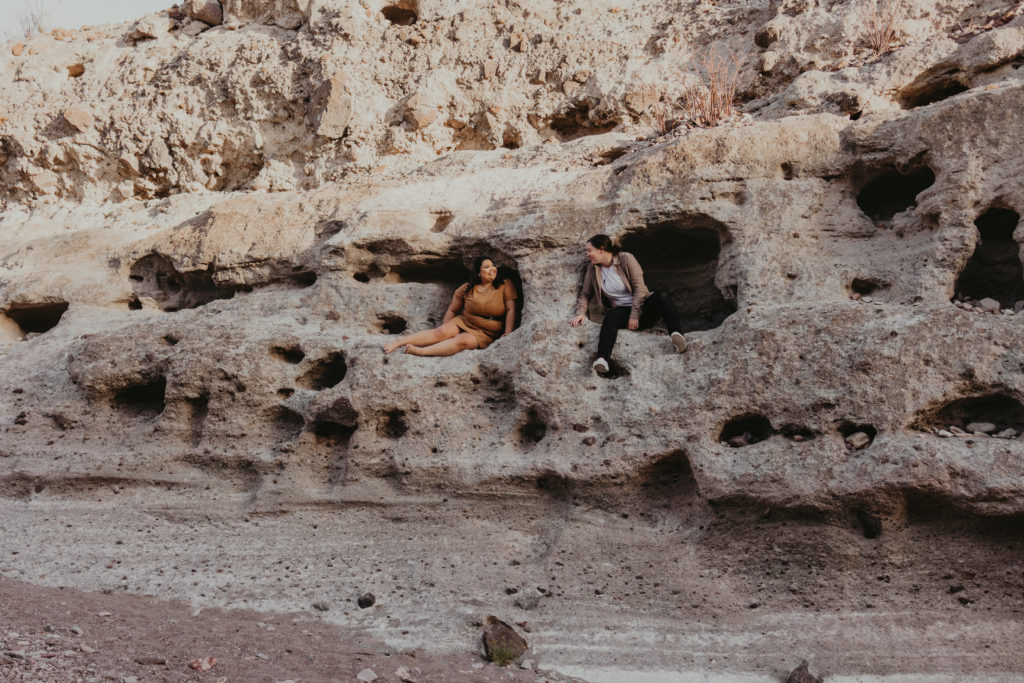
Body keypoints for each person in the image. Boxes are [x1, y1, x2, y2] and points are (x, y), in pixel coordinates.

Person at [570, 234, 687, 374]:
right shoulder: (593, 268)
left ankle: (677, 335)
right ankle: (603, 359)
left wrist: (635, 315)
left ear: (601, 249)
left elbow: (640, 288)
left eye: (589, 250)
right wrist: (580, 313)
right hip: (622, 313)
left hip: (643, 308)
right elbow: (585, 293)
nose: (587, 254)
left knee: (662, 297)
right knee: (611, 317)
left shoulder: (626, 258)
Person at [383, 257, 517, 356]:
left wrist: (508, 332)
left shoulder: (505, 284)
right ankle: (399, 343)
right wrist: (444, 328)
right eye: (487, 267)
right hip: (465, 321)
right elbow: (452, 310)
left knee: (462, 341)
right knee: (440, 332)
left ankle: (422, 351)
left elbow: (511, 309)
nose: (492, 269)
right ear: (478, 273)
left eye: (493, 265)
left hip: (488, 331)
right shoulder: (466, 288)